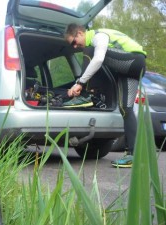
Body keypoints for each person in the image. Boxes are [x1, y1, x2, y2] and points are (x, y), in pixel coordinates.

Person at [64, 23, 147, 168]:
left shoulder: (98, 36)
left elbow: (98, 59)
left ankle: (86, 95)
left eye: (74, 43)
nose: (75, 47)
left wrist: (80, 83)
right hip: (130, 70)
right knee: (125, 109)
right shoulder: (94, 38)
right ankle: (132, 155)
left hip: (134, 61)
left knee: (92, 51)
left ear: (79, 33)